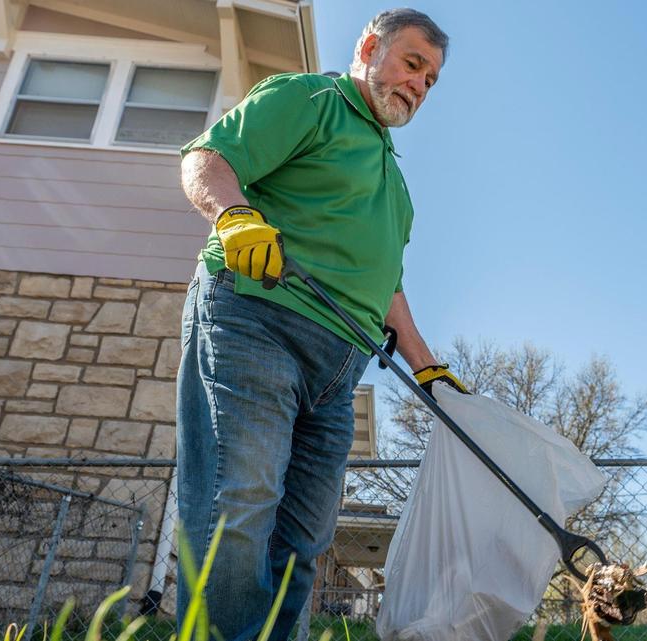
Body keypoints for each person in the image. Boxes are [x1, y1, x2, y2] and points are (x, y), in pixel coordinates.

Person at [175, 8, 468, 641]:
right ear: (369, 47)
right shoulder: (311, 100)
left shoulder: (397, 186)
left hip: (341, 367)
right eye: (412, 63)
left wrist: (428, 368)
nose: (419, 85)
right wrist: (235, 217)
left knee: (306, 535)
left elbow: (387, 287)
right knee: (240, 501)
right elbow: (207, 158)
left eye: (430, 80)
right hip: (258, 322)